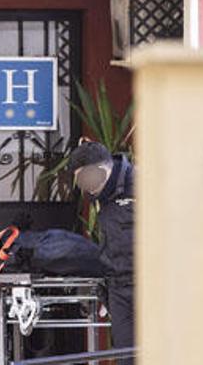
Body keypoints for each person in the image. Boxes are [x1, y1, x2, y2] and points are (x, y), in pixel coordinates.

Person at [66, 139, 135, 364]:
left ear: (101, 169)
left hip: (152, 285)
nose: (84, 187)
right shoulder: (102, 196)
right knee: (126, 358)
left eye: (85, 178)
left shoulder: (143, 183)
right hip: (118, 288)